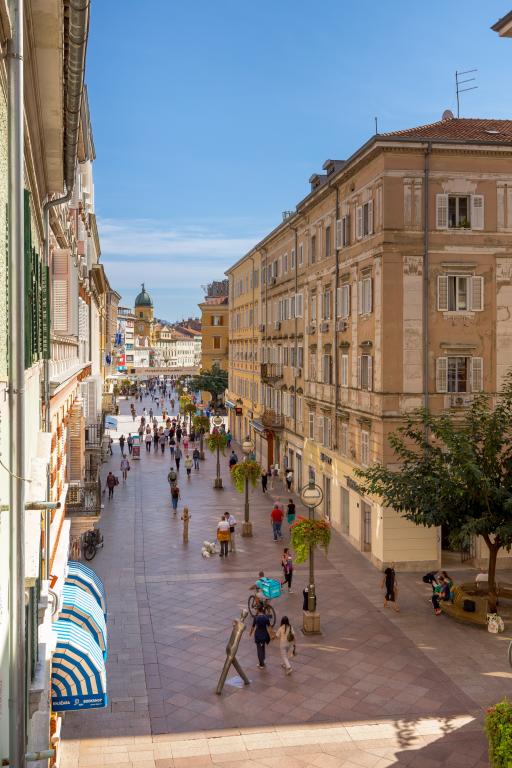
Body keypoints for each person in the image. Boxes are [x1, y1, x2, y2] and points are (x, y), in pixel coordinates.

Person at [249, 604, 271, 669]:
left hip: (258, 635)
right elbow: (269, 627)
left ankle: (261, 664)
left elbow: (253, 627)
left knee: (259, 649)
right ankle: (263, 659)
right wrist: (272, 635)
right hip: (264, 634)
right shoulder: (266, 617)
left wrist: (250, 633)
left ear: (258, 610)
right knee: (263, 647)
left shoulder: (256, 618)